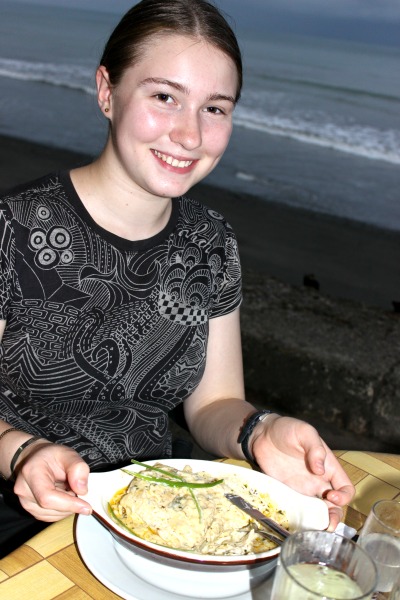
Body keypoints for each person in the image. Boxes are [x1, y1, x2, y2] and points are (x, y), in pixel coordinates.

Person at [0, 0, 354, 554]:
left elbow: (213, 405)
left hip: (158, 505)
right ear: (107, 91)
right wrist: (20, 451)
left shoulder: (211, 243)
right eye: (165, 97)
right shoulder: (13, 230)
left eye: (215, 108)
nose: (190, 135)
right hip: (23, 514)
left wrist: (259, 430)